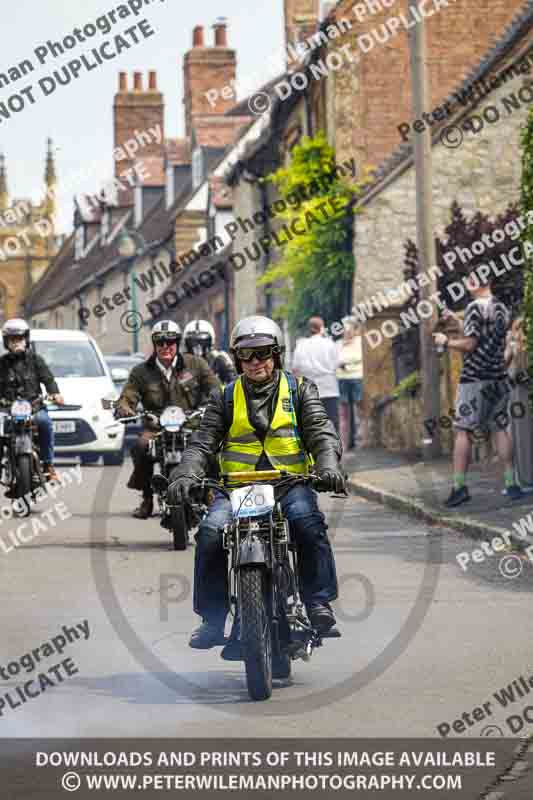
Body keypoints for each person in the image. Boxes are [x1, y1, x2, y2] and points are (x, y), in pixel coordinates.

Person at [169, 315, 344, 658]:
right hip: (237, 487)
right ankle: (213, 618)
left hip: (289, 483)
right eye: (246, 355)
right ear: (236, 358)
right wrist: (186, 473)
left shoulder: (299, 389)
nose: (254, 362)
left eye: (262, 353)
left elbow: (321, 432)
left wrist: (327, 464)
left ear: (277, 354)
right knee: (209, 533)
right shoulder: (224, 397)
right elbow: (203, 443)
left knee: (308, 525)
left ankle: (317, 602)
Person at [434, 274, 522, 507]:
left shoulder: (473, 308)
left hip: (474, 380)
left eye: (468, 280)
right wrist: (455, 318)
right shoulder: (501, 308)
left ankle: (459, 487)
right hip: (498, 377)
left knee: (463, 431)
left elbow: (471, 344)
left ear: (475, 284)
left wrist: (446, 341)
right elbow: (485, 336)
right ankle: (511, 484)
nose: (465, 284)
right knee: (500, 428)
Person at [116, 320, 219, 519]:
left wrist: (212, 405)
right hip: (157, 427)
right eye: (160, 342)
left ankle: (209, 492)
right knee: (140, 446)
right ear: (154, 344)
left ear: (178, 342)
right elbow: (129, 394)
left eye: (170, 341)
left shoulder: (196, 364)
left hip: (192, 425)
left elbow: (214, 388)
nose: (165, 346)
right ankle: (147, 497)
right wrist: (125, 407)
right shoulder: (141, 371)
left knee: (213, 448)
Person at [0, 318, 64, 482]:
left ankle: (48, 465)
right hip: (7, 409)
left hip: (34, 407)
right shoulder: (2, 364)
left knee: (45, 423)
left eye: (19, 339)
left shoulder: (36, 360)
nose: (16, 343)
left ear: (26, 339)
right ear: (6, 342)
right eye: (12, 340)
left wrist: (55, 393)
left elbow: (48, 379)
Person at [292, 316, 340, 431]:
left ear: (310, 328)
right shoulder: (329, 344)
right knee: (330, 421)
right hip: (329, 388)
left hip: (309, 389)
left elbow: (295, 369)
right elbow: (336, 364)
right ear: (322, 328)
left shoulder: (301, 345)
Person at [183, 319, 237, 386]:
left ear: (211, 342)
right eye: (193, 342)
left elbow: (234, 381)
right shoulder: (181, 361)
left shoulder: (218, 358)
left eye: (203, 342)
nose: (198, 347)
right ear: (187, 344)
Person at [336, 320, 363, 450]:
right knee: (343, 414)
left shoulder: (360, 342)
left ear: (354, 330)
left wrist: (347, 363)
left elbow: (361, 357)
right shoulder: (338, 344)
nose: (347, 333)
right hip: (342, 379)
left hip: (357, 378)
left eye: (349, 330)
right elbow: (335, 360)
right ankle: (344, 443)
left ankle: (360, 441)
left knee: (358, 410)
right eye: (345, 331)